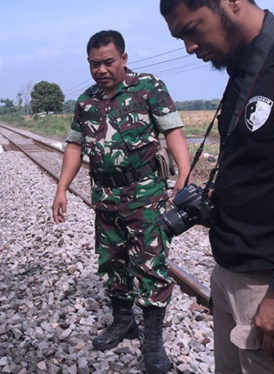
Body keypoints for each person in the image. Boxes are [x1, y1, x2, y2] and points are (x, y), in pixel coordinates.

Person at [160, 1, 274, 372]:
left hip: (271, 284)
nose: (189, 47)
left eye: (192, 29)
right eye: (179, 37)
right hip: (228, 274)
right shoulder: (241, 67)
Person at [52, 30, 191, 374]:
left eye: (108, 62)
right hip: (106, 197)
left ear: (124, 59)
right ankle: (123, 321)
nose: (101, 69)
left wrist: (184, 174)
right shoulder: (85, 102)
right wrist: (61, 189)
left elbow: (172, 131)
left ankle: (153, 340)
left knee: (150, 265)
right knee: (112, 262)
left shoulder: (148, 88)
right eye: (94, 63)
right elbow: (74, 146)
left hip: (145, 195)